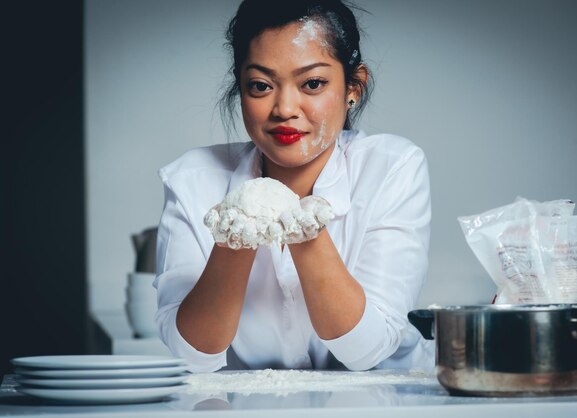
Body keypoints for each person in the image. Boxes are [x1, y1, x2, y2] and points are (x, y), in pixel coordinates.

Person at [154, 0, 434, 373]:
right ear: (240, 88)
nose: (285, 107)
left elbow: (368, 350)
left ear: (354, 86)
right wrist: (238, 232)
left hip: (385, 400)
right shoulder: (193, 179)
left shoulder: (391, 167)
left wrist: (303, 229)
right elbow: (191, 355)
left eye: (313, 83)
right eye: (260, 85)